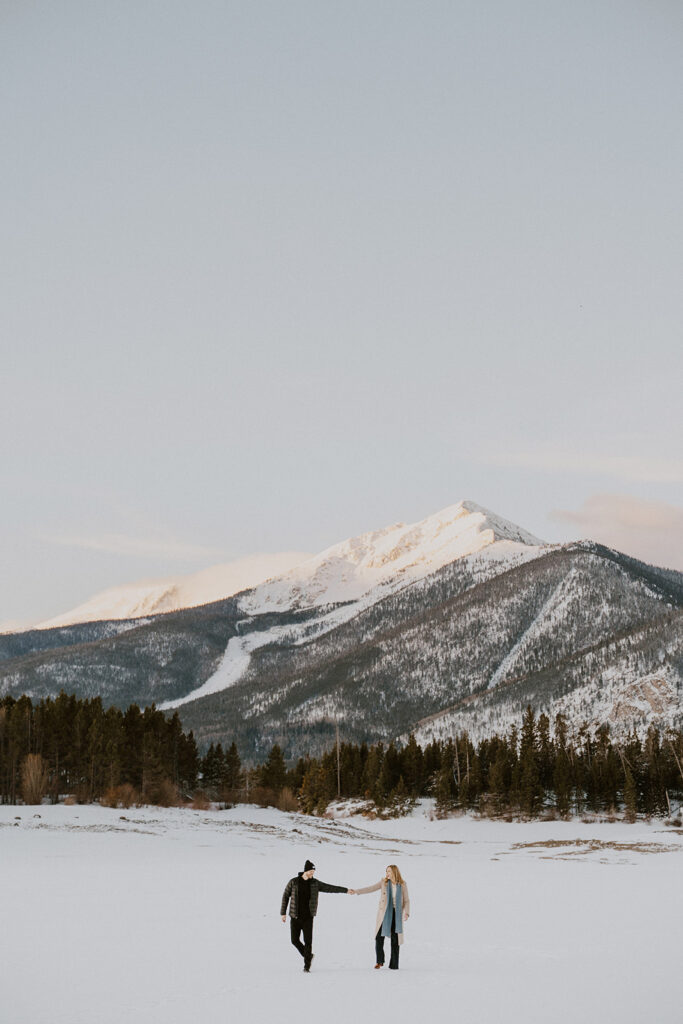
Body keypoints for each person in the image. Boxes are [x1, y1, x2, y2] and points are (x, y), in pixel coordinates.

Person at [281, 859, 355, 972]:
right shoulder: (294, 882)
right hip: (295, 916)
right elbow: (286, 896)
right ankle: (308, 956)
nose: (312, 873)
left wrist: (345, 890)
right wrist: (283, 913)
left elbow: (330, 888)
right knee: (294, 940)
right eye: (310, 871)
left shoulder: (315, 883)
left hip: (308, 917)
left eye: (313, 872)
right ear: (305, 871)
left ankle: (306, 966)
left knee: (308, 942)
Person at [354, 864, 410, 970]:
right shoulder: (384, 883)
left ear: (394, 872)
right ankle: (379, 961)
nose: (387, 874)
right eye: (386, 871)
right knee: (379, 937)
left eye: (389, 871)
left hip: (396, 914)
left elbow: (406, 900)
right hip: (384, 914)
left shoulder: (402, 884)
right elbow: (370, 888)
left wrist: (406, 912)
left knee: (395, 940)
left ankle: (394, 965)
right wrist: (357, 891)